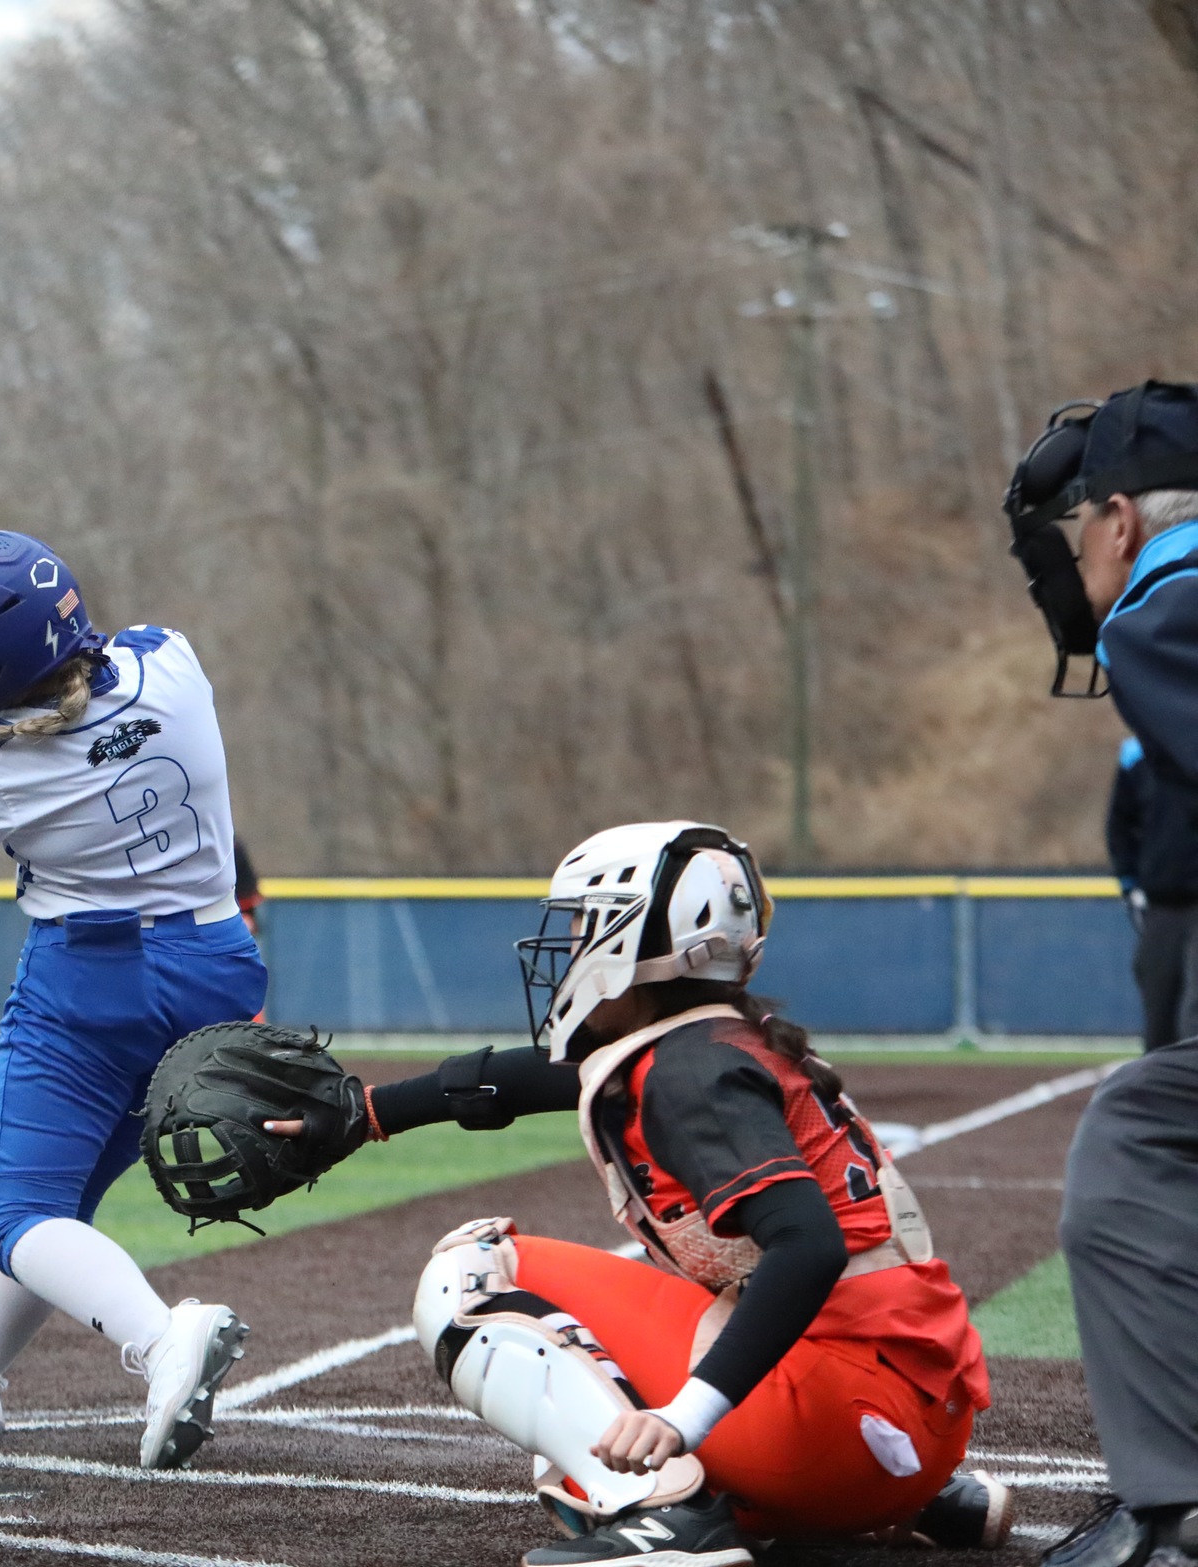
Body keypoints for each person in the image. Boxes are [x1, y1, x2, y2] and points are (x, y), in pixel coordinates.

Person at [275, 822, 1010, 1565]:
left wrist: (685, 1419)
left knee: (470, 1276)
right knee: (629, 1372)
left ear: (639, 938)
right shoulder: (710, 1043)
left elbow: (808, 1242)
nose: (568, 946)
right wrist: (365, 1112)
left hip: (843, 1421)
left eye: (585, 923)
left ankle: (665, 1515)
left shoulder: (689, 1075)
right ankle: (914, 1497)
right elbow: (531, 1076)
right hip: (912, 1432)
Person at [0, 530, 267, 1468]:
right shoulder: (174, 662)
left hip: (90, 984)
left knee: (18, 1212)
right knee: (65, 1200)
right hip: (218, 966)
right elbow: (95, 703)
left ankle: (160, 1338)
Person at [1002, 380, 1198, 1567]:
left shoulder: (1160, 612)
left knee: (1136, 1140)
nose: (1075, 543)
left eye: (1080, 519)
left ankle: (1170, 1511)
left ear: (1118, 520)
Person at [1105, 734, 1198, 1052]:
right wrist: (1129, 882)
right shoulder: (1137, 752)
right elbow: (1120, 822)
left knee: (1193, 1014)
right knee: (1160, 1004)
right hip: (1163, 903)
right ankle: (1161, 1093)